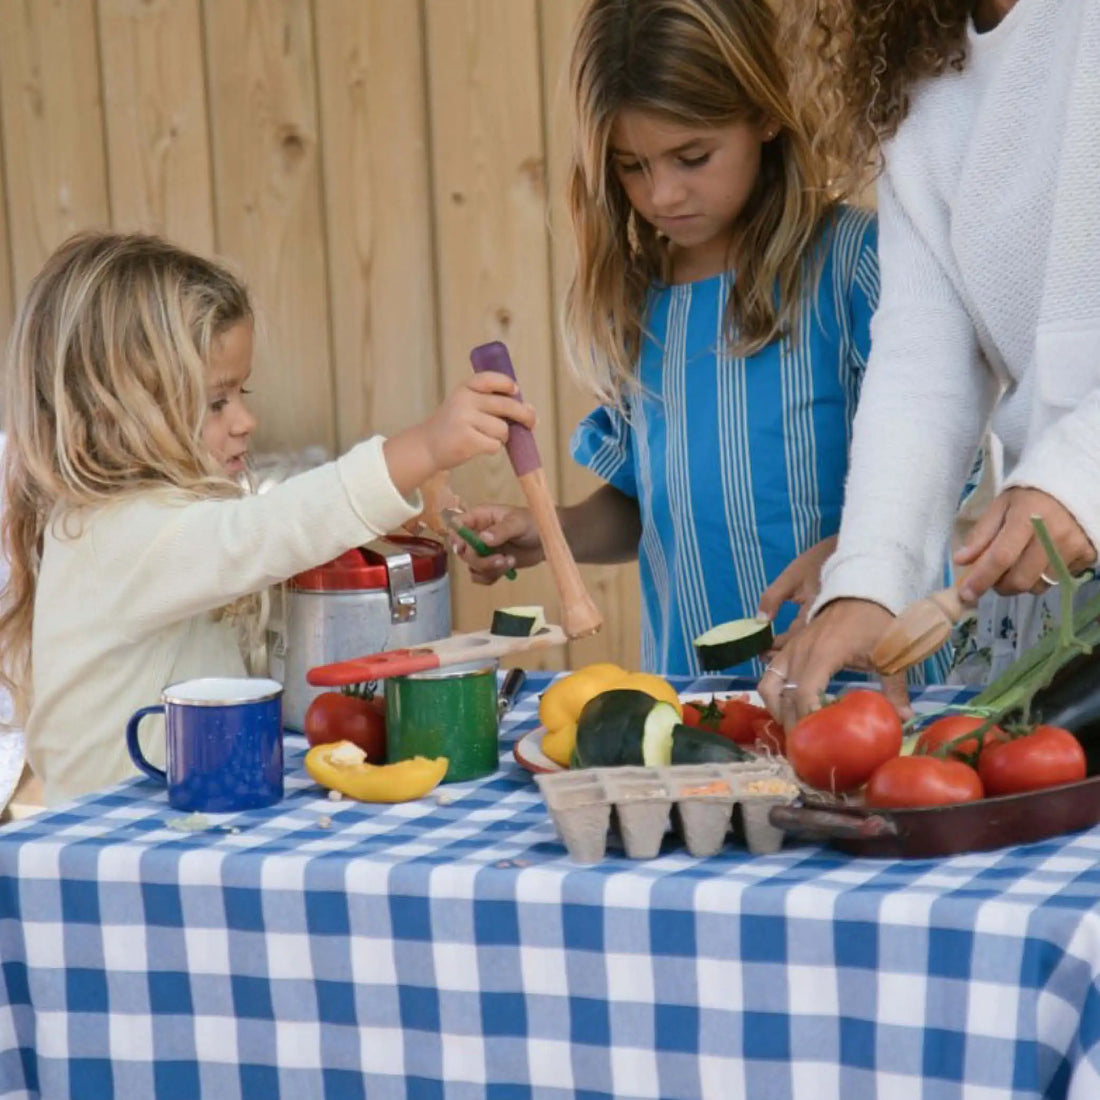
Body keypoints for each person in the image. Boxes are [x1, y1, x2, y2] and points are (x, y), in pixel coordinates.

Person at [455, 0, 952, 686]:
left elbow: (939, 465)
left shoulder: (856, 268)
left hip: (878, 692)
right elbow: (651, 506)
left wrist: (857, 559)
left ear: (764, 114)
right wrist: (551, 533)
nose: (662, 194)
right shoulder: (637, 301)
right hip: (698, 699)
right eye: (632, 165)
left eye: (692, 157)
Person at [0, 231, 535, 803]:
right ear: (114, 410)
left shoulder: (160, 524)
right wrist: (421, 449)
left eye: (241, 392)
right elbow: (267, 533)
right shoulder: (115, 534)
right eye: (216, 401)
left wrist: (380, 525)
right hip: (108, 846)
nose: (246, 420)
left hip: (181, 821)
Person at [758, 0, 1100, 727]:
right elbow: (924, 357)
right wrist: (869, 578)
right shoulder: (918, 69)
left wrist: (1079, 476)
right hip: (1062, 600)